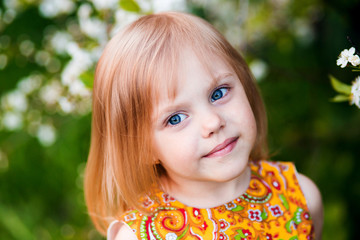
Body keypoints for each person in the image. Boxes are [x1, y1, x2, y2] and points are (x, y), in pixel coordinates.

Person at [84, 12, 323, 240]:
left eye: (219, 93)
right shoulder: (139, 235)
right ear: (142, 147)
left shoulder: (300, 198)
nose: (213, 122)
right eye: (175, 118)